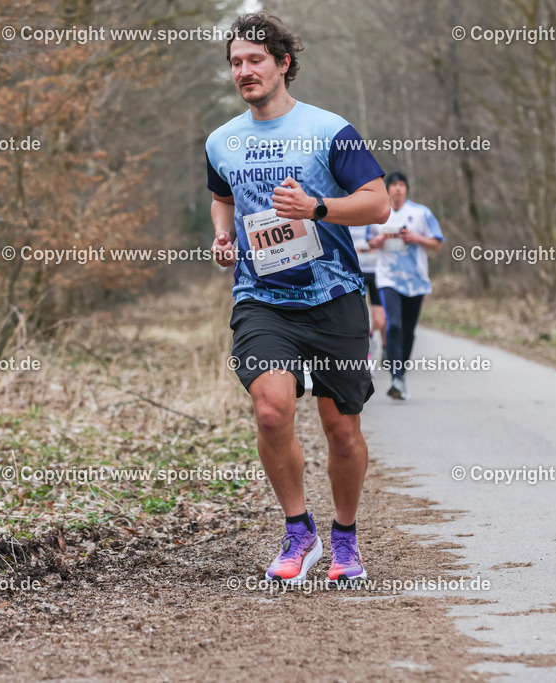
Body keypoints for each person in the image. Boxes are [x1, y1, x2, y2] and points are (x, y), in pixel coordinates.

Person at [205, 12, 389, 585]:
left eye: (255, 59)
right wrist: (222, 234)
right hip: (262, 298)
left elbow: (378, 203)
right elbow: (221, 196)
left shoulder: (329, 130)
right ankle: (297, 530)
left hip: (333, 294)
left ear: (283, 64)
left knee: (341, 430)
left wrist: (317, 208)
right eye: (236, 62)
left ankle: (345, 540)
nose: (244, 71)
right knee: (271, 409)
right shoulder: (221, 140)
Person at [367, 172, 445, 400]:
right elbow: (369, 240)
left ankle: (400, 374)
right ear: (387, 190)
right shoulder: (378, 214)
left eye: (401, 185)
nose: (398, 189)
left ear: (406, 189)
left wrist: (417, 238)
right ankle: (396, 378)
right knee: (395, 326)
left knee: (408, 331)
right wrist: (376, 242)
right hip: (388, 278)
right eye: (393, 185)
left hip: (415, 280)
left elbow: (437, 243)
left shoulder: (421, 213)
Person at [347, 225, 386, 362]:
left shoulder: (376, 221)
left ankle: (370, 334)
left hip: (377, 271)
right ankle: (364, 352)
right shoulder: (347, 219)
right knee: (355, 317)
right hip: (356, 272)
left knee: (380, 321)